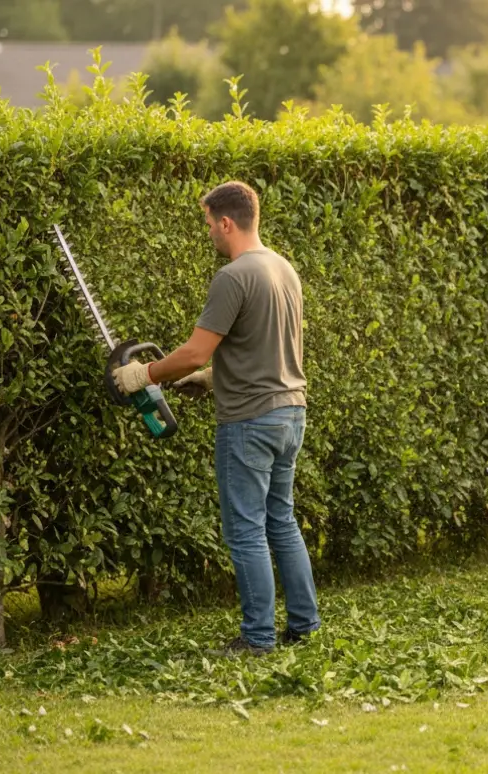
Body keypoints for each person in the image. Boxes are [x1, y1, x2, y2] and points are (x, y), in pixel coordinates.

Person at [112, 181, 320, 656]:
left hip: (249, 420)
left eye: (208, 224)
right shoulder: (282, 268)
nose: (207, 232)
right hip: (290, 412)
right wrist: (211, 379)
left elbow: (193, 352)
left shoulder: (233, 276)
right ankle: (304, 626)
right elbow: (269, 346)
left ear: (226, 222)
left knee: (245, 530)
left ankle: (258, 638)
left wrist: (142, 374)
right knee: (281, 521)